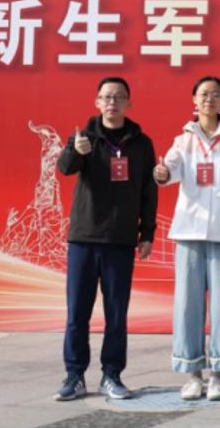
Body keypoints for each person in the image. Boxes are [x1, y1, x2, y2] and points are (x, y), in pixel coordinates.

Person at [54, 76, 157, 401]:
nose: (112, 102)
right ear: (97, 102)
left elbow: (148, 190)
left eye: (119, 97)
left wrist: (147, 233)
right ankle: (74, 375)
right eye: (106, 97)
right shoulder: (83, 137)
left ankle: (111, 375)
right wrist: (76, 151)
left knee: (116, 314)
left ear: (129, 103)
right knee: (77, 313)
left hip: (120, 240)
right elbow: (65, 168)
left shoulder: (141, 143)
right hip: (84, 238)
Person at [154, 75, 220, 401]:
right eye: (203, 94)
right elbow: (171, 168)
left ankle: (217, 376)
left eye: (215, 94)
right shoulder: (184, 139)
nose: (209, 99)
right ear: (194, 100)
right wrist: (163, 173)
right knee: (187, 305)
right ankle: (193, 374)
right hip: (189, 231)